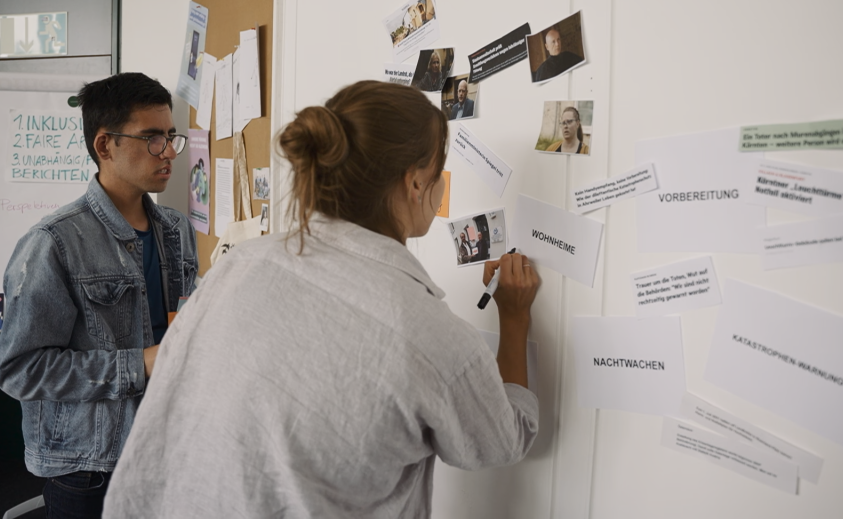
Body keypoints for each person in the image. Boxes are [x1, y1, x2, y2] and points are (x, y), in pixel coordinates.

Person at [103, 80, 540, 518]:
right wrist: (516, 317)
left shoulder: (241, 264)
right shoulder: (428, 331)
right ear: (415, 183)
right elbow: (501, 439)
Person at [0, 72, 198, 519]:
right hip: (91, 467)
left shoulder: (176, 229)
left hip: (167, 447)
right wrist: (142, 362)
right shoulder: (53, 242)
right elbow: (21, 371)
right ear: (105, 146)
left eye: (169, 136)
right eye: (151, 138)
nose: (167, 152)